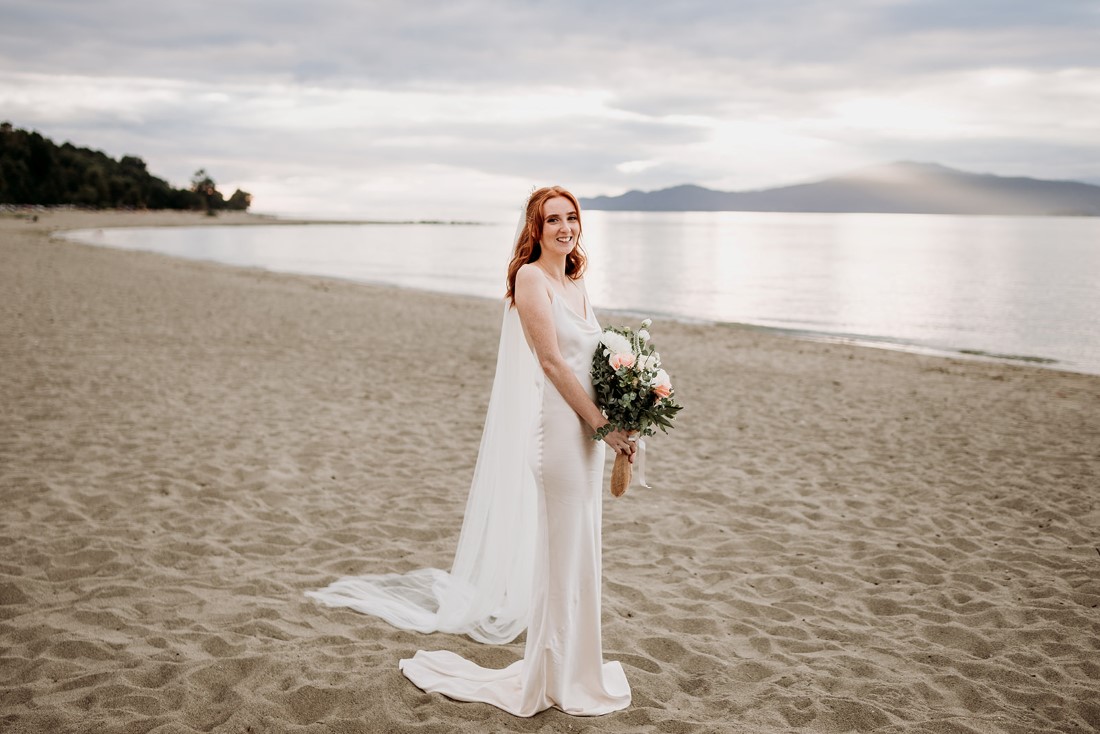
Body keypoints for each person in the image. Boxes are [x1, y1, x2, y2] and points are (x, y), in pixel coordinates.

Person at [307, 186, 634, 716]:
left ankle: (575, 670)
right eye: (552, 220)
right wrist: (601, 425)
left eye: (571, 218)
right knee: (562, 559)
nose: (564, 227)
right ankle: (551, 678)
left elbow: (592, 365)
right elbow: (552, 364)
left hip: (589, 438)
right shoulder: (531, 279)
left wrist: (622, 414)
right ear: (535, 229)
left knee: (582, 556)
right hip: (561, 435)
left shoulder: (574, 282)